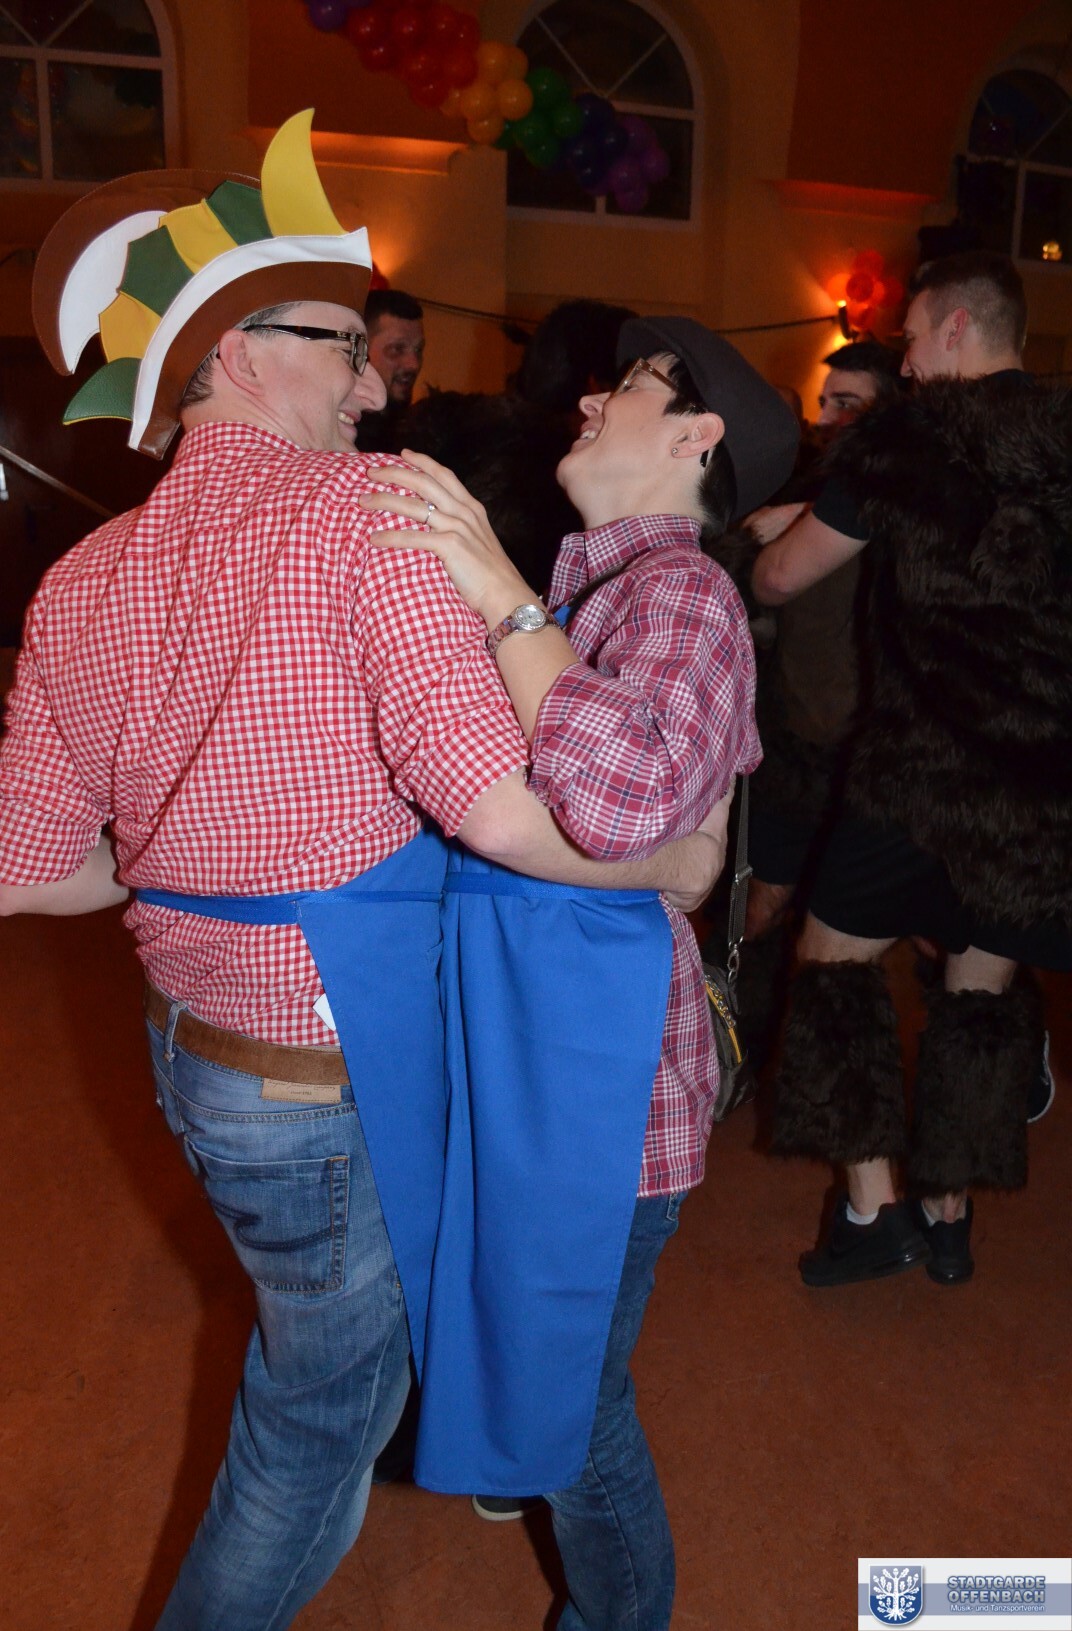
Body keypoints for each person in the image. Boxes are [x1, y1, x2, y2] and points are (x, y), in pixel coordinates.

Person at [0, 115, 726, 1631]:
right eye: (347, 346)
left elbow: (34, 870)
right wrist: (675, 855)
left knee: (312, 1369)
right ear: (237, 352)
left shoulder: (79, 578)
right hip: (330, 1070)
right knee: (312, 1423)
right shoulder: (365, 514)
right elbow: (511, 821)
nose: (376, 383)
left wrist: (197, 845)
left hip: (192, 1059)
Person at [360, 315, 799, 1629]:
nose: (595, 397)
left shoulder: (682, 594)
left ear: (697, 436)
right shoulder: (605, 597)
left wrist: (499, 595)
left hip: (602, 1085)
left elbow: (621, 800)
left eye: (636, 385)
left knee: (579, 1400)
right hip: (550, 1057)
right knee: (546, 1367)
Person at [752, 251, 1072, 1287]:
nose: (908, 360)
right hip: (1036, 788)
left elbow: (783, 574)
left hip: (918, 773)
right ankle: (949, 1214)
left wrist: (772, 539)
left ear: (955, 328)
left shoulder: (906, 438)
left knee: (831, 968)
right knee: (980, 992)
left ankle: (872, 1207)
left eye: (914, 336)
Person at [356, 287, 425, 451]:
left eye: (418, 350)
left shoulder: (417, 435)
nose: (413, 364)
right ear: (360, 350)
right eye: (397, 349)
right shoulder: (339, 432)